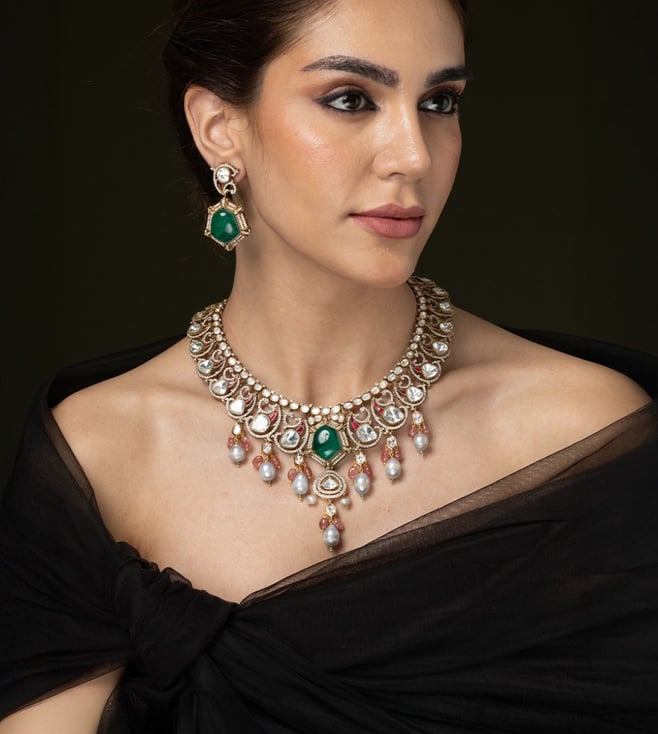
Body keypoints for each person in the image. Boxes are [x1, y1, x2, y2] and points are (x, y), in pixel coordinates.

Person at [1, 0, 656, 732]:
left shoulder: (585, 433)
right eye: (350, 99)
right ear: (219, 127)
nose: (414, 155)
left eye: (440, 102)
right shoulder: (102, 455)